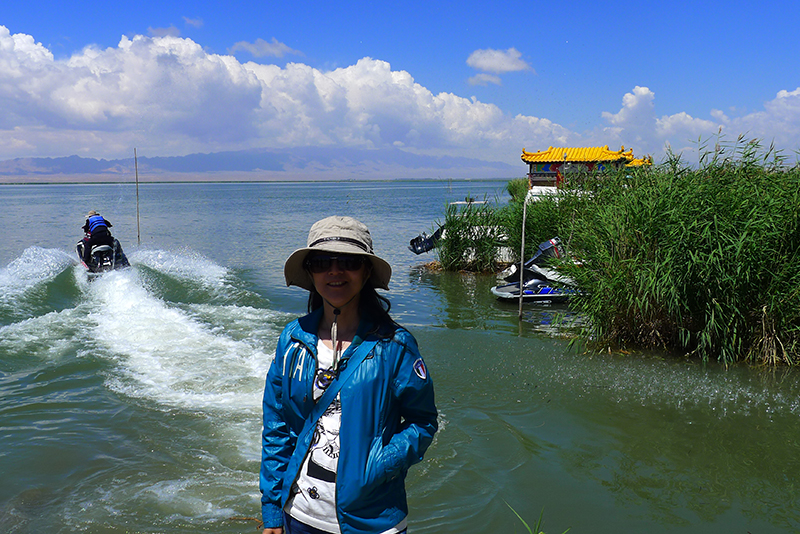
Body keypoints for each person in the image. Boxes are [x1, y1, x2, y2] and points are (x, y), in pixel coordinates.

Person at [260, 216, 438, 534]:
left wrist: (379, 464)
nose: (335, 271)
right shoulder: (292, 339)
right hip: (298, 515)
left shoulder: (394, 346)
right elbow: (277, 426)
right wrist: (272, 507)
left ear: (366, 271)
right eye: (322, 262)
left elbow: (422, 422)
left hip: (373, 521)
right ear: (310, 271)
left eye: (349, 262)